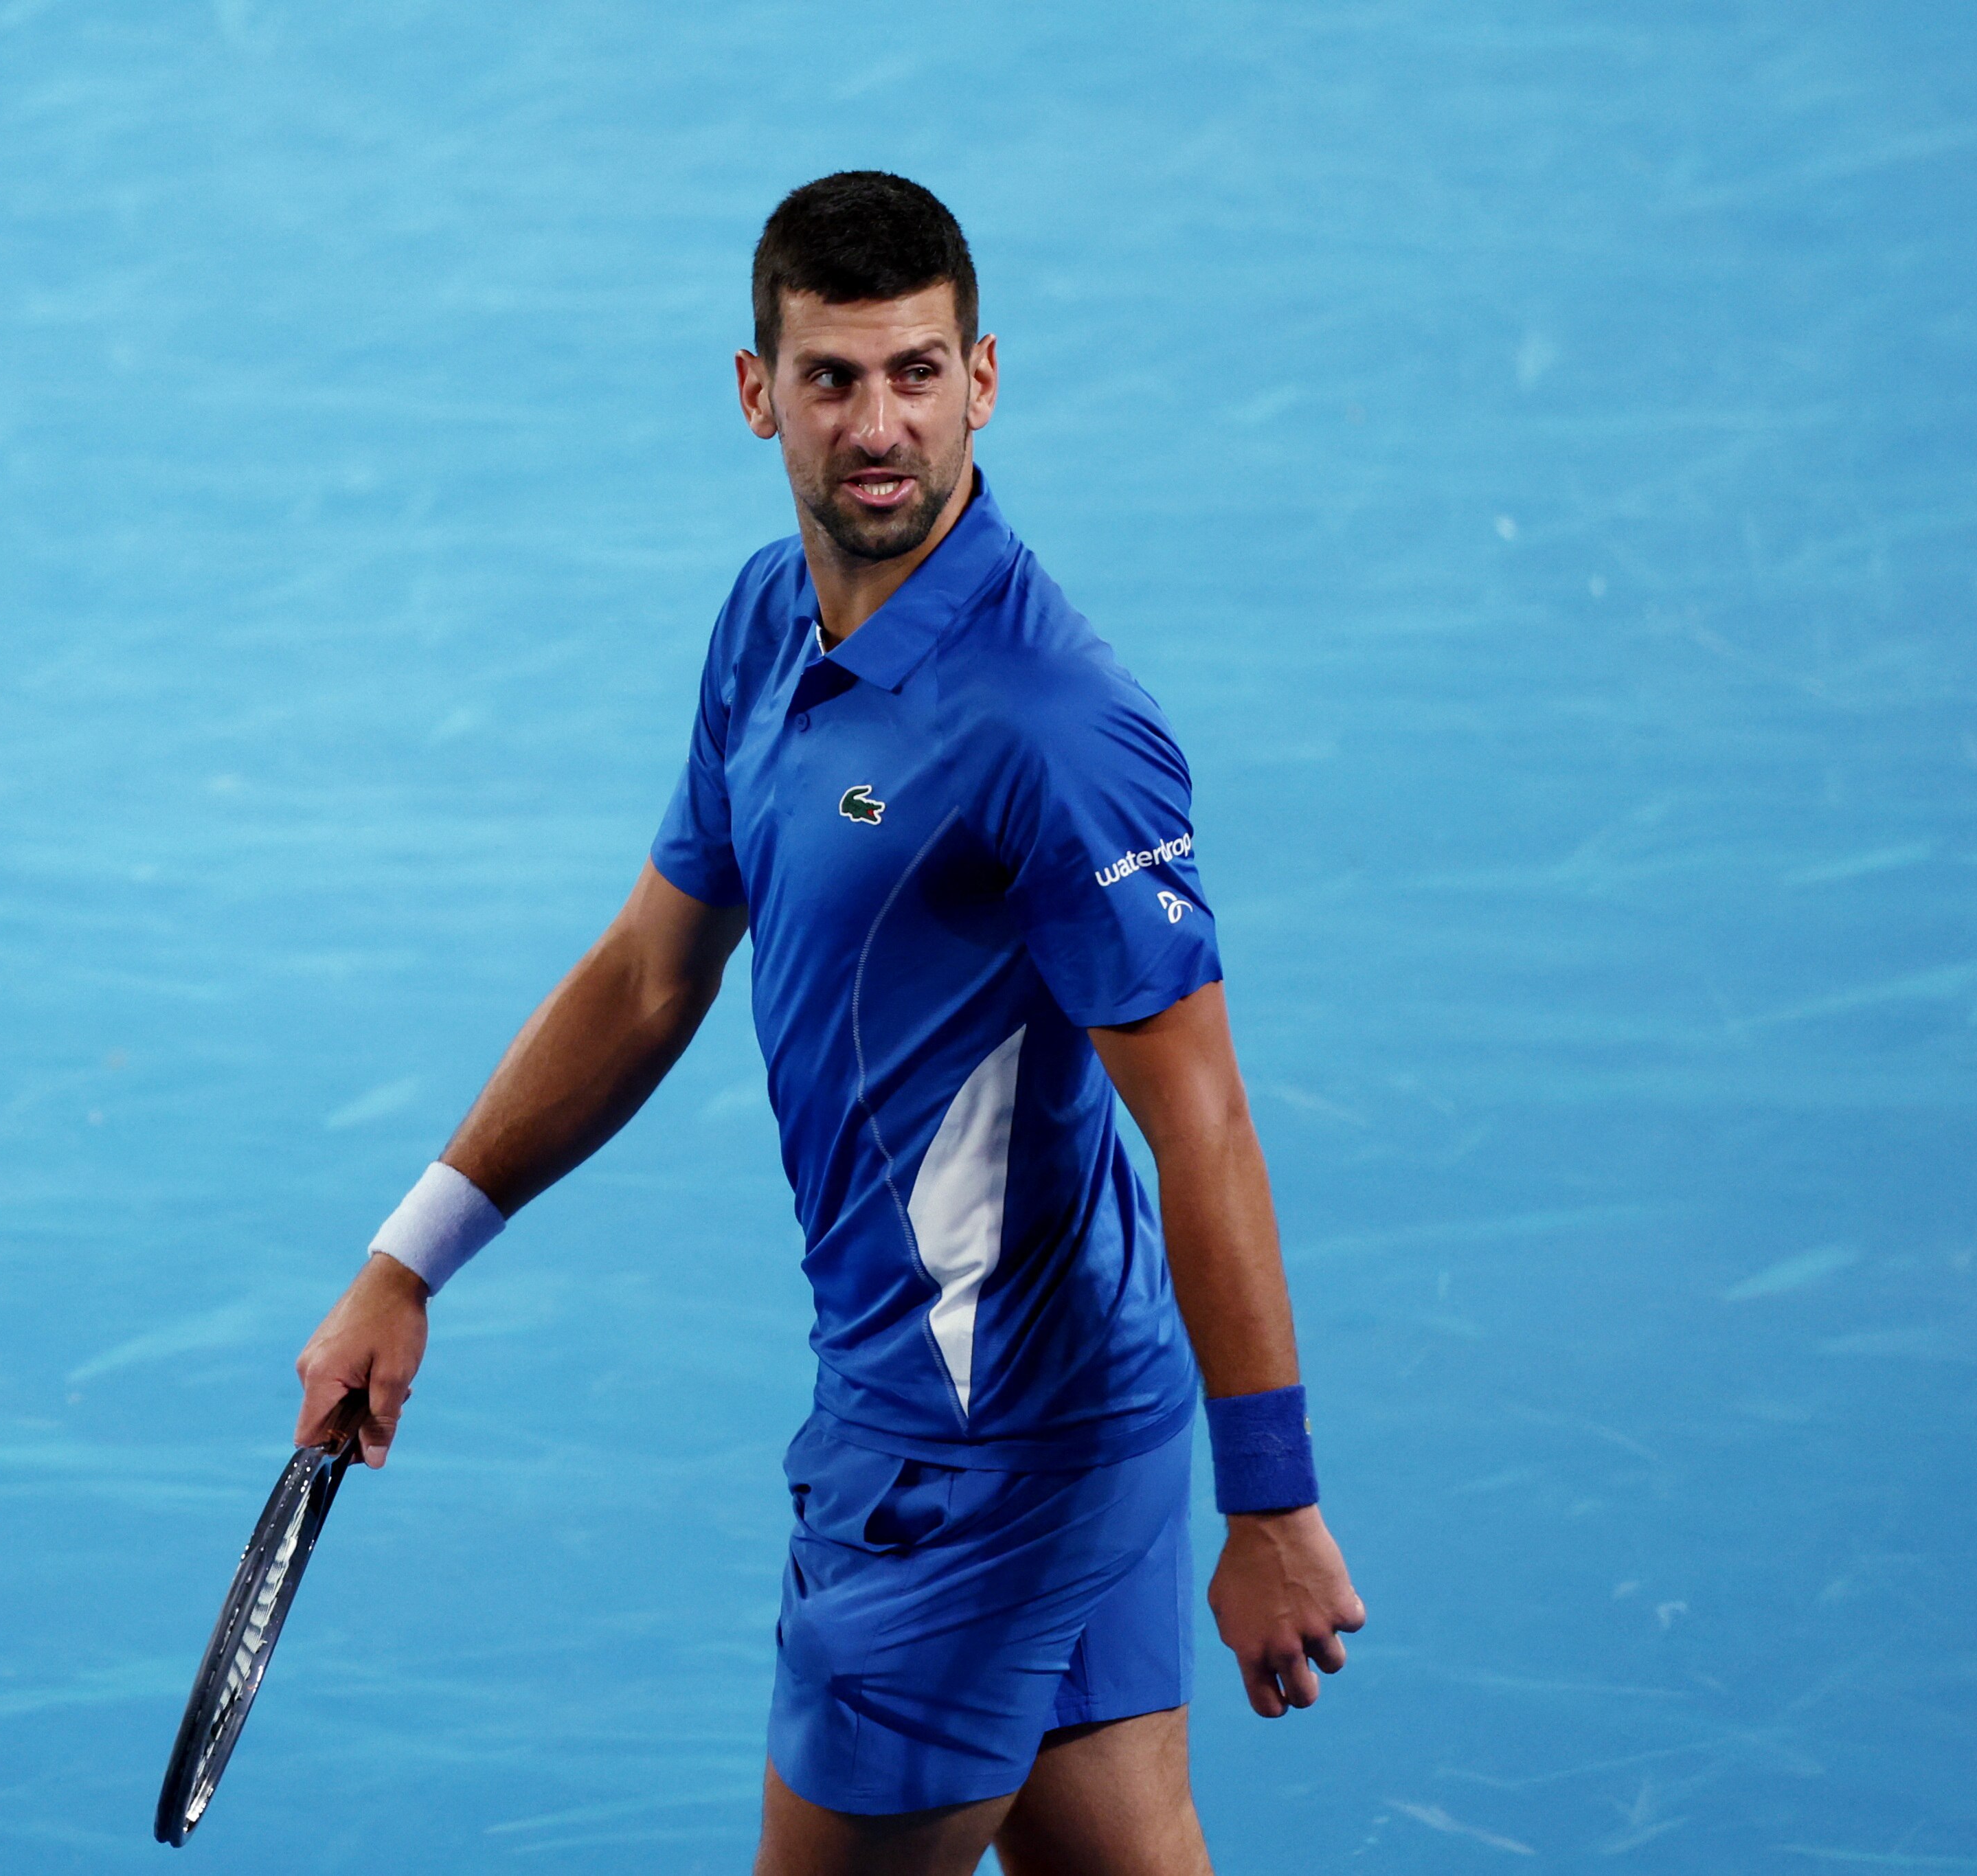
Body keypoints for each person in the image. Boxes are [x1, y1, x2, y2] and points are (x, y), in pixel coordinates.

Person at [292, 170, 1363, 1876]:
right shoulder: (759, 628)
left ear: (984, 379)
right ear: (755, 392)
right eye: (834, 379)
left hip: (972, 1460)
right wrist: (410, 1256)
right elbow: (650, 973)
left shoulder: (1051, 727)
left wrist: (1274, 1500)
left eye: (918, 373)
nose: (882, 426)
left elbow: (1202, 1119)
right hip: (1001, 1415)